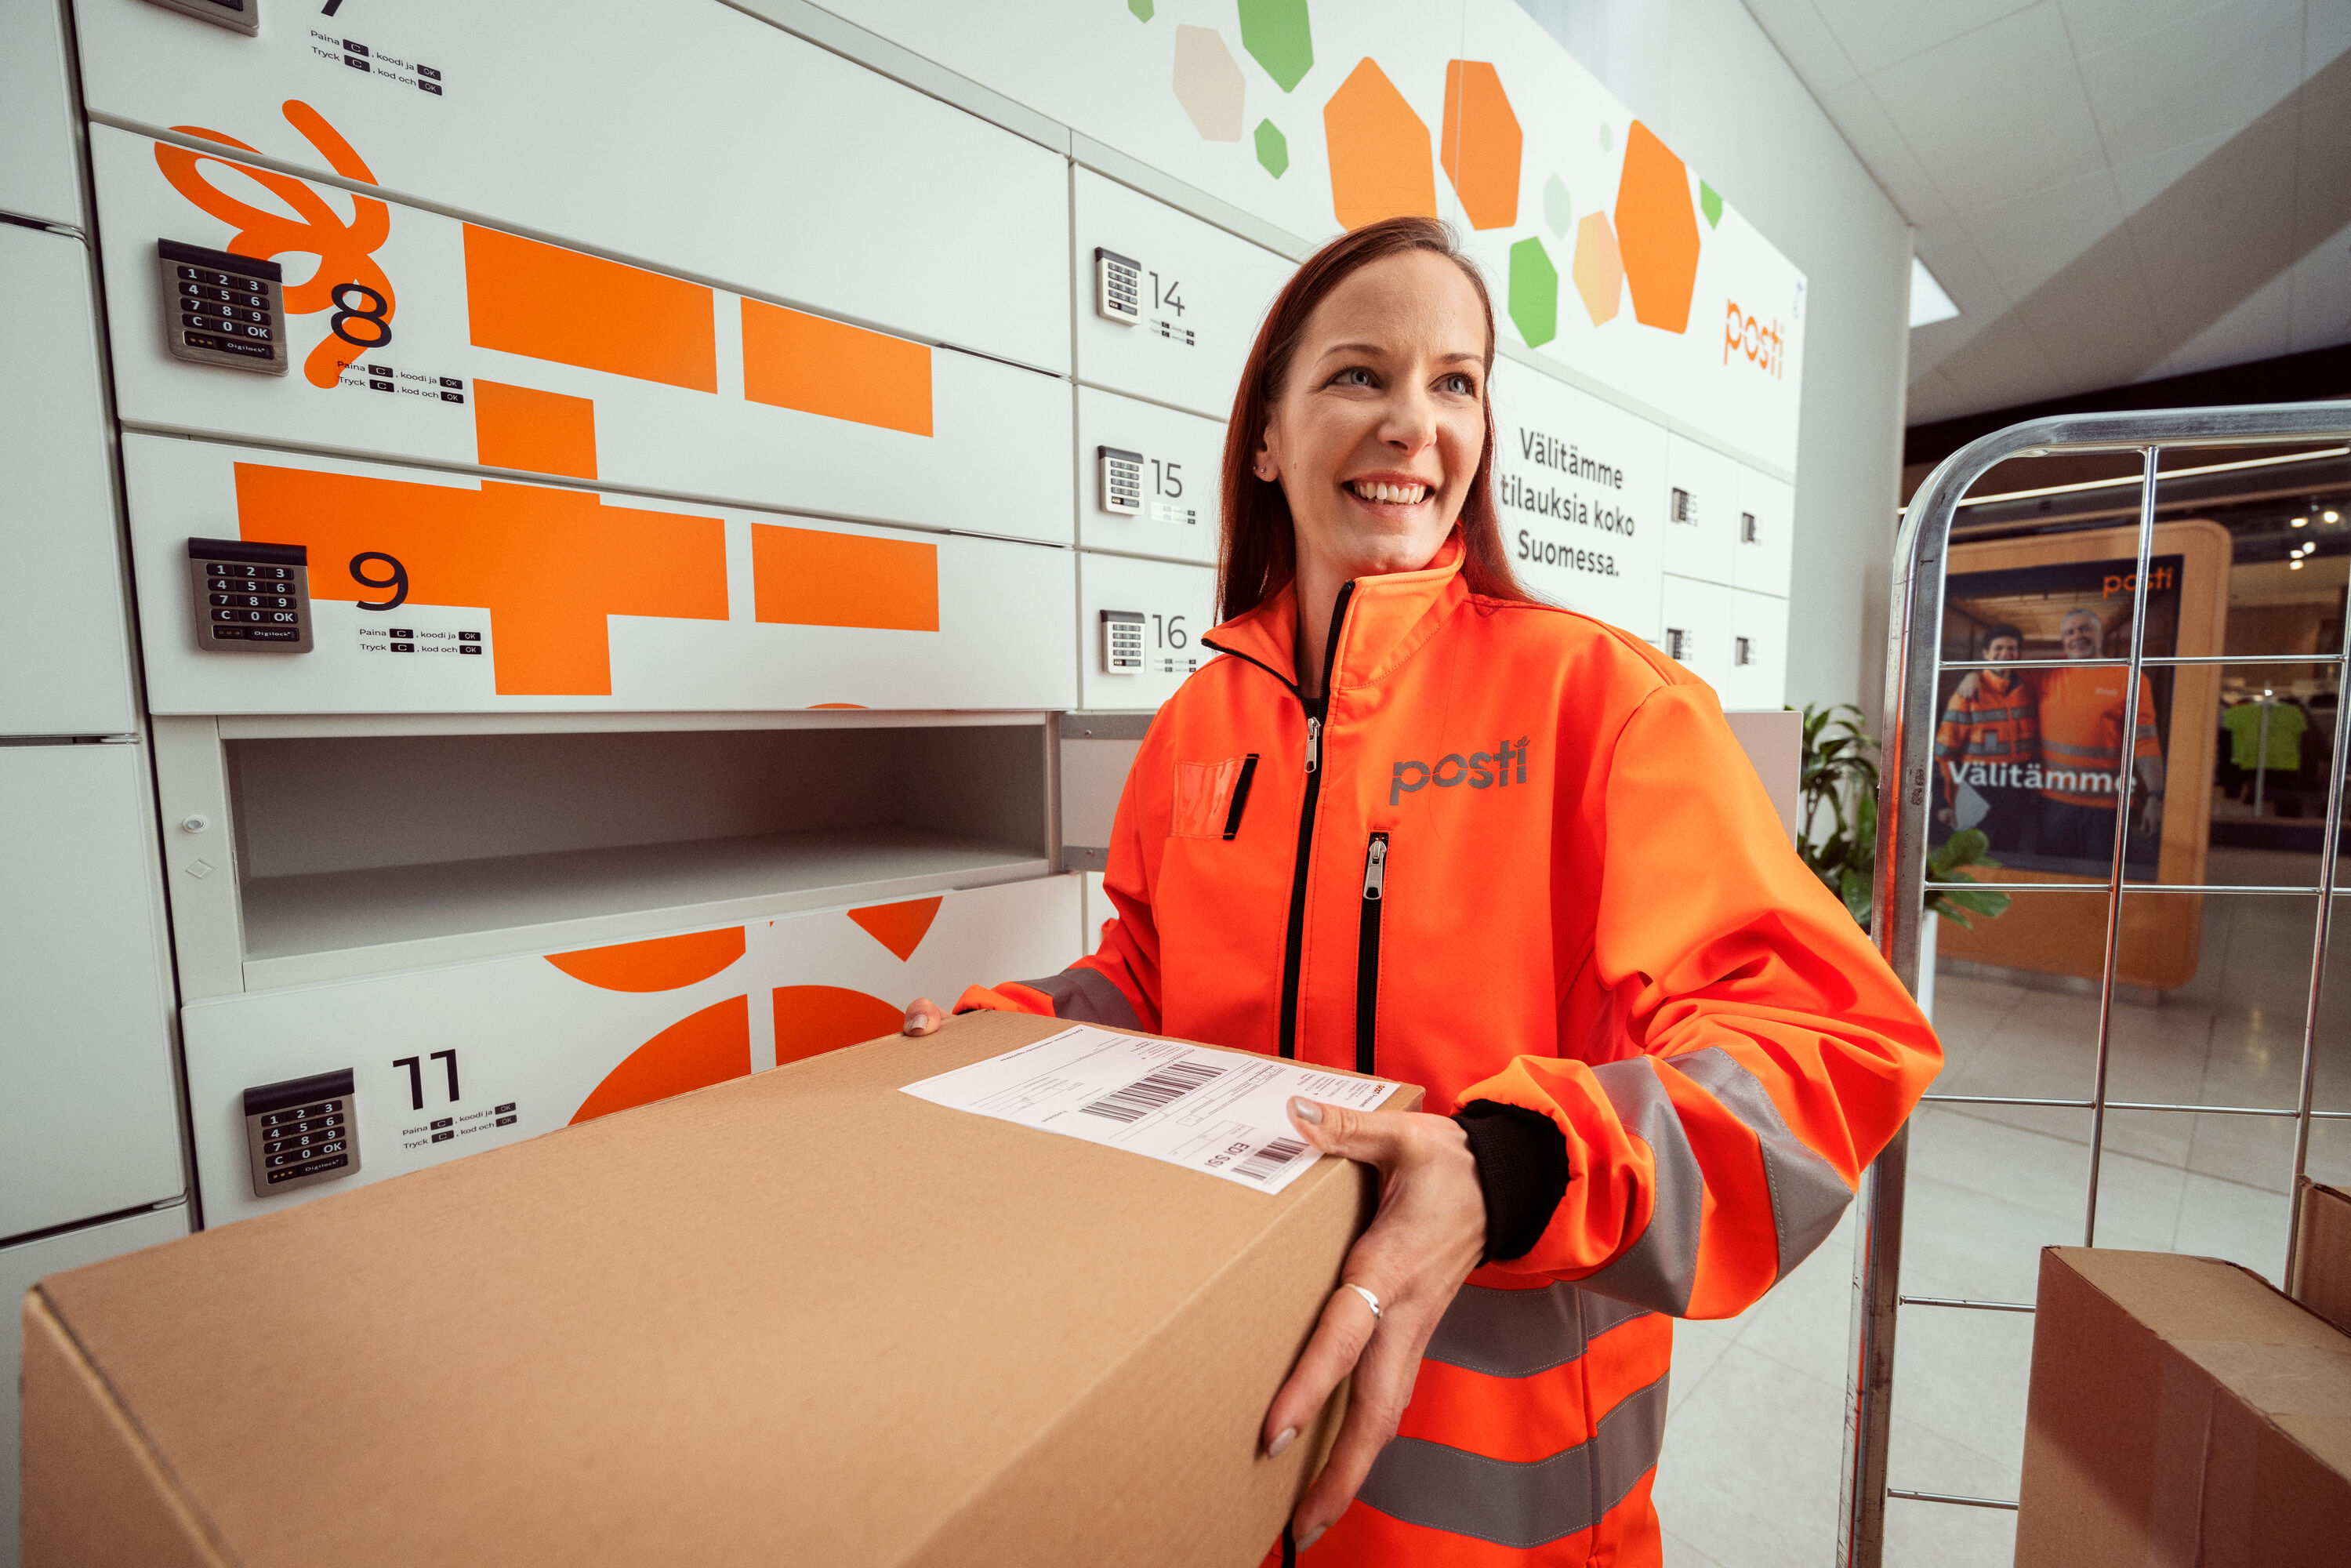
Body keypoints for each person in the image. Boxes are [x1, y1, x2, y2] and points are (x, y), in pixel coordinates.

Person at [902, 216, 1938, 1566]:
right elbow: (1150, 984)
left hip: (1502, 1520)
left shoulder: (1599, 704)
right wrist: (1023, 1024)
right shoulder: (1198, 723)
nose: (1412, 422)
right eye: (1358, 376)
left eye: (1453, 382)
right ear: (1263, 439)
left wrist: (1506, 1167)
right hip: (1223, 1442)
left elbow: (1824, 1051)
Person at [2031, 607, 2164, 859]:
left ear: (2100, 635)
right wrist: (1971, 677)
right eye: (2070, 632)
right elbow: (1998, 671)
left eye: (2084, 629)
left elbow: (2145, 742)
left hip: (2108, 807)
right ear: (2063, 640)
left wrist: (2156, 797)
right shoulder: (2046, 672)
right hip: (2054, 803)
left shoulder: (2130, 677)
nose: (2076, 636)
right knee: (2052, 878)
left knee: (2102, 882)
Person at [1933, 622, 2039, 851]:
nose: (2005, 654)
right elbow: (1944, 752)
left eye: (2011, 649)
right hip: (1976, 789)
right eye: (1998, 648)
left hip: (2016, 789)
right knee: (1972, 857)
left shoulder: (2029, 691)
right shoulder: (1967, 694)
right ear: (1986, 653)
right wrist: (1944, 802)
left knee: (2008, 854)